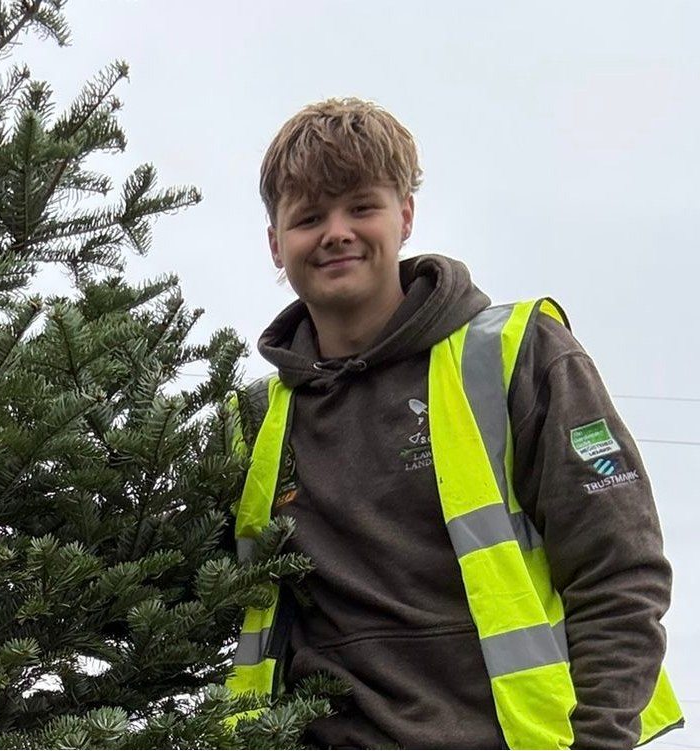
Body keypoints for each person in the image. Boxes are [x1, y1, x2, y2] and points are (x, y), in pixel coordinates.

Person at [225, 98, 682, 748]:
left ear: (404, 215)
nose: (336, 231)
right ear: (274, 241)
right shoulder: (249, 421)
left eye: (360, 206)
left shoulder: (519, 356)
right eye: (307, 217)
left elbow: (619, 574)